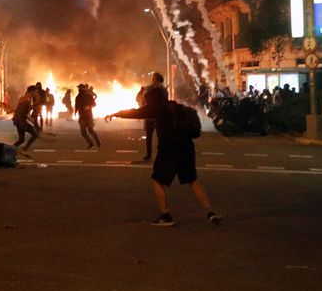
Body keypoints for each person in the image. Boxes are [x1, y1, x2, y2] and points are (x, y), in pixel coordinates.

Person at [108, 93, 222, 227]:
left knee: (157, 180)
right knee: (192, 180)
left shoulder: (157, 107)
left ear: (151, 100)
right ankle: (210, 212)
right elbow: (195, 130)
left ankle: (165, 214)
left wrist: (116, 114)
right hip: (187, 148)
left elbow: (137, 113)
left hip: (168, 148)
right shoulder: (179, 107)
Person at [139, 73, 169, 160]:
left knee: (161, 137)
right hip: (149, 116)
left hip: (159, 116)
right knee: (149, 136)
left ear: (159, 80)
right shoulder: (149, 88)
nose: (153, 80)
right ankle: (149, 153)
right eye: (153, 79)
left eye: (155, 79)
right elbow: (143, 100)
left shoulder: (163, 90)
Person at [12, 86, 40, 155]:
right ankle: (24, 149)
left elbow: (20, 111)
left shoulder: (23, 99)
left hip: (17, 121)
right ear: (32, 92)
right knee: (35, 134)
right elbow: (22, 113)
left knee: (21, 140)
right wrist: (30, 119)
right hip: (21, 122)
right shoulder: (26, 100)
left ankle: (10, 150)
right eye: (35, 92)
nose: (35, 94)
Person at [74, 83, 101, 149]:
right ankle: (90, 143)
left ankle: (98, 140)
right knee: (83, 132)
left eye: (80, 88)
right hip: (81, 116)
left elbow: (94, 104)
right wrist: (75, 111)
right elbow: (76, 105)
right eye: (78, 88)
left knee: (90, 130)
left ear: (83, 89)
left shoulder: (88, 96)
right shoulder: (77, 97)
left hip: (89, 116)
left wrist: (89, 107)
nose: (79, 89)